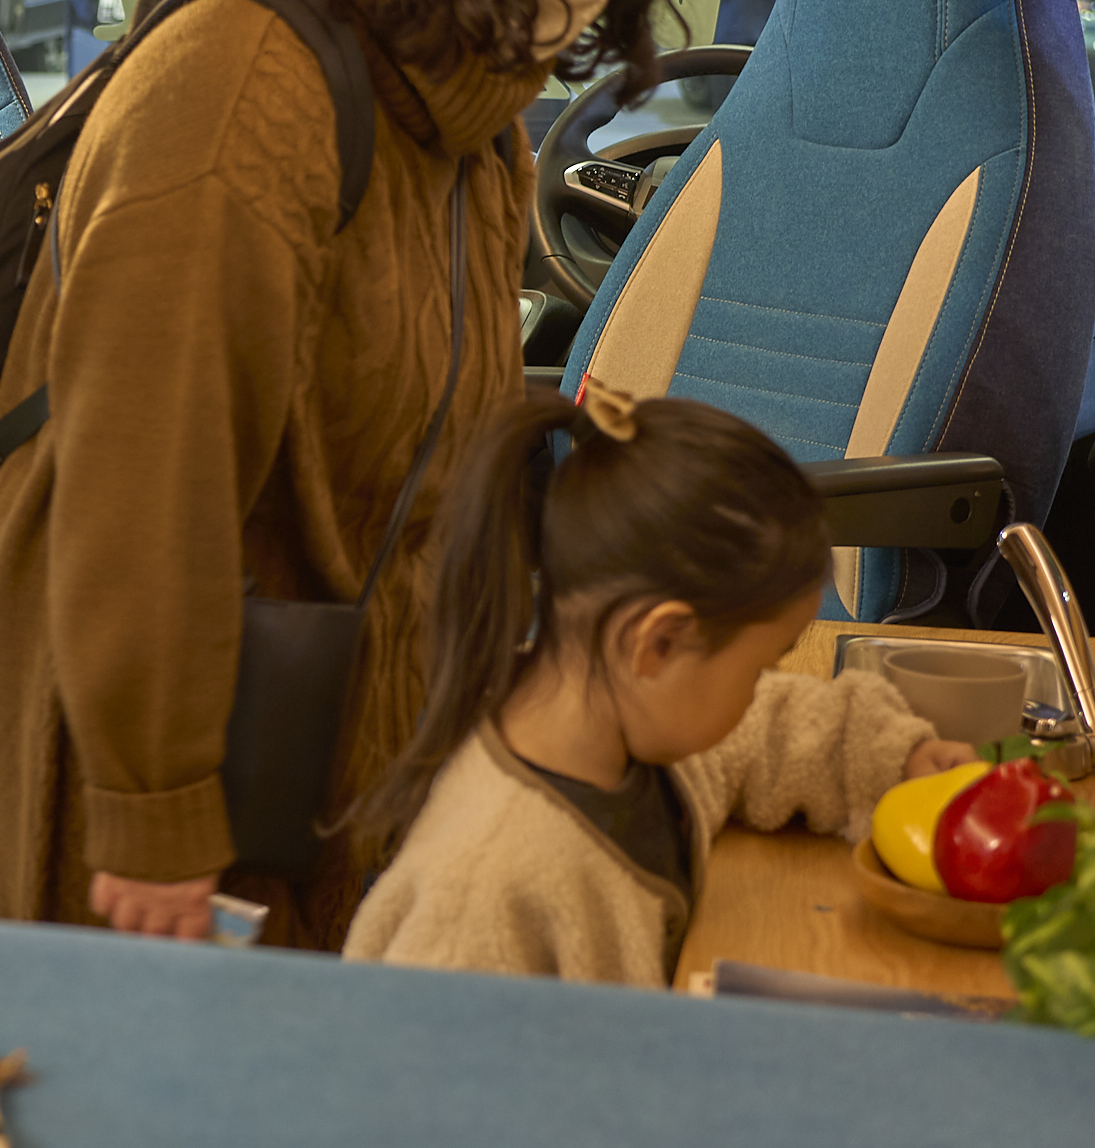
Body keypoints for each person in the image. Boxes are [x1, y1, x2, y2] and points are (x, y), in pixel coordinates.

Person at [0, 0, 722, 948]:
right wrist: (152, 812)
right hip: (150, 732)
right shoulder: (242, 92)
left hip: (328, 703)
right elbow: (146, 479)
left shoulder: (469, 117)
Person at [343, 387, 974, 984]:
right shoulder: (482, 890)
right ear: (657, 644)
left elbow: (772, 726)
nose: (763, 689)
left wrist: (898, 756)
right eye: (760, 668)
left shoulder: (629, 724)